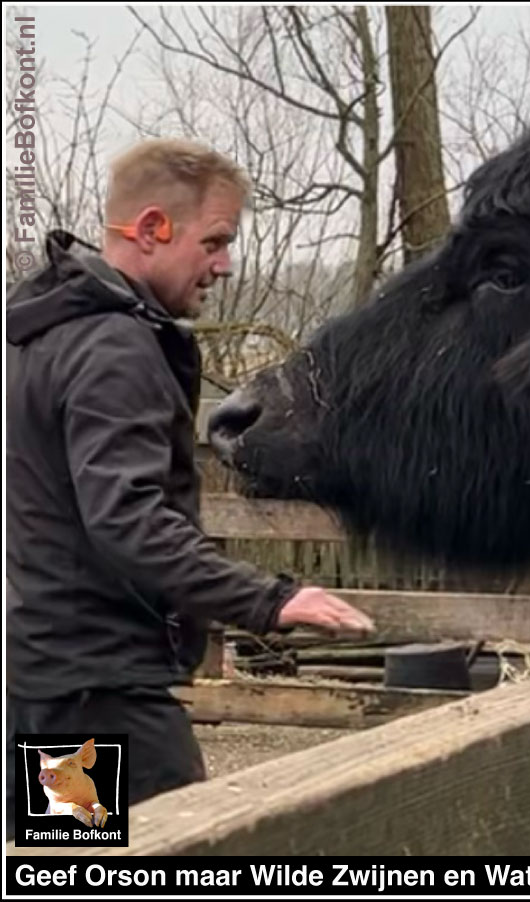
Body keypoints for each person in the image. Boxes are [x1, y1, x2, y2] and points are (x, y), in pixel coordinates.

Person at [5, 138, 375, 836]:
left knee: (72, 862)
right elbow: (129, 521)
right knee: (176, 853)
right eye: (215, 241)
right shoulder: (113, 349)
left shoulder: (50, 334)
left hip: (54, 679)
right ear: (150, 230)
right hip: (102, 693)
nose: (224, 265)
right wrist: (272, 599)